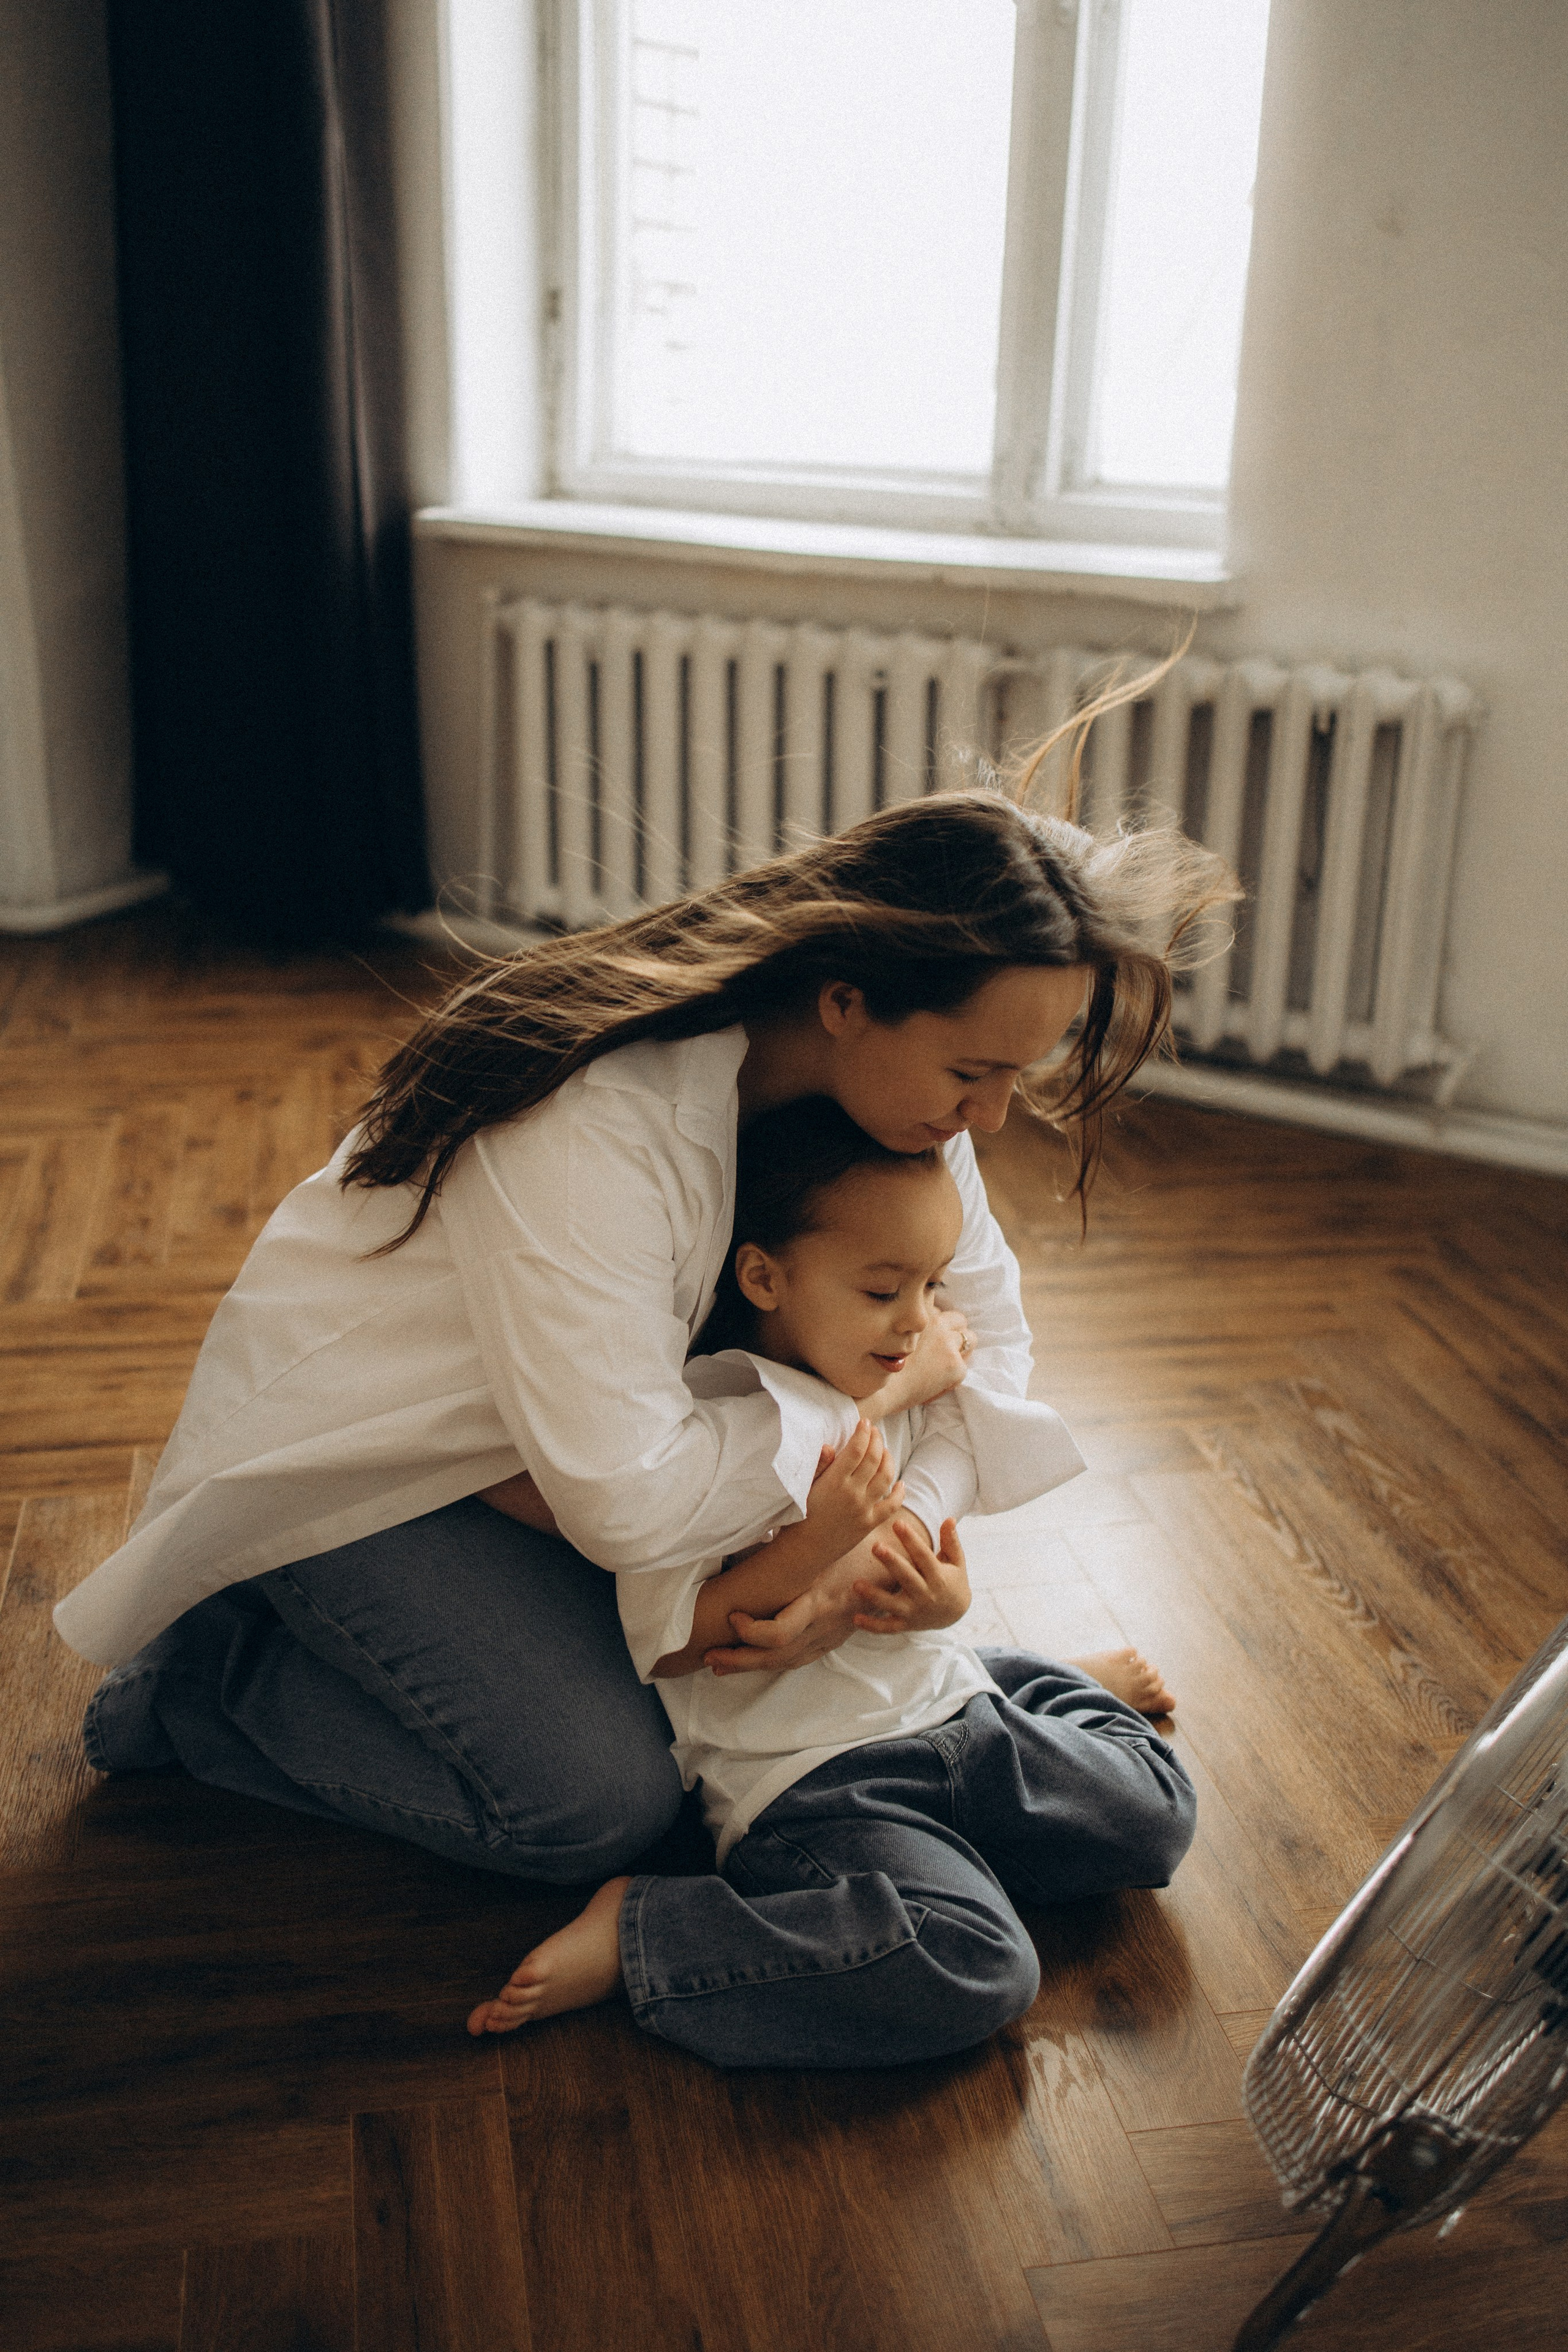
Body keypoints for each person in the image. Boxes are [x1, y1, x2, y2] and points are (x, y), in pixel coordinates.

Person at [55, 694, 1234, 1929]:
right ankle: (209, 1681)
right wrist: (881, 1402)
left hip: (564, 1468)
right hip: (377, 1470)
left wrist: (858, 1564)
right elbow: (636, 1504)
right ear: (846, 1001)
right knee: (596, 1810)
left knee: (720, 1726)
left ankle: (939, 1681)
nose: (989, 1119)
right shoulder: (591, 1122)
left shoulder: (893, 1109)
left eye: (1013, 1076)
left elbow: (987, 1362)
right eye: (970, 1072)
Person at [464, 1095, 1189, 2067]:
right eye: (885, 1289)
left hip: (951, 1708)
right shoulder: (700, 1436)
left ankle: (1022, 1679)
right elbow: (673, 1645)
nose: (918, 1323)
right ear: (766, 1276)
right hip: (815, 1786)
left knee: (1157, 1813)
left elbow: (920, 1557)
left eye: (932, 1286)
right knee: (977, 1967)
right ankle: (646, 1932)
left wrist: (946, 1605)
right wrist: (823, 1537)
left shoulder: (883, 1380)